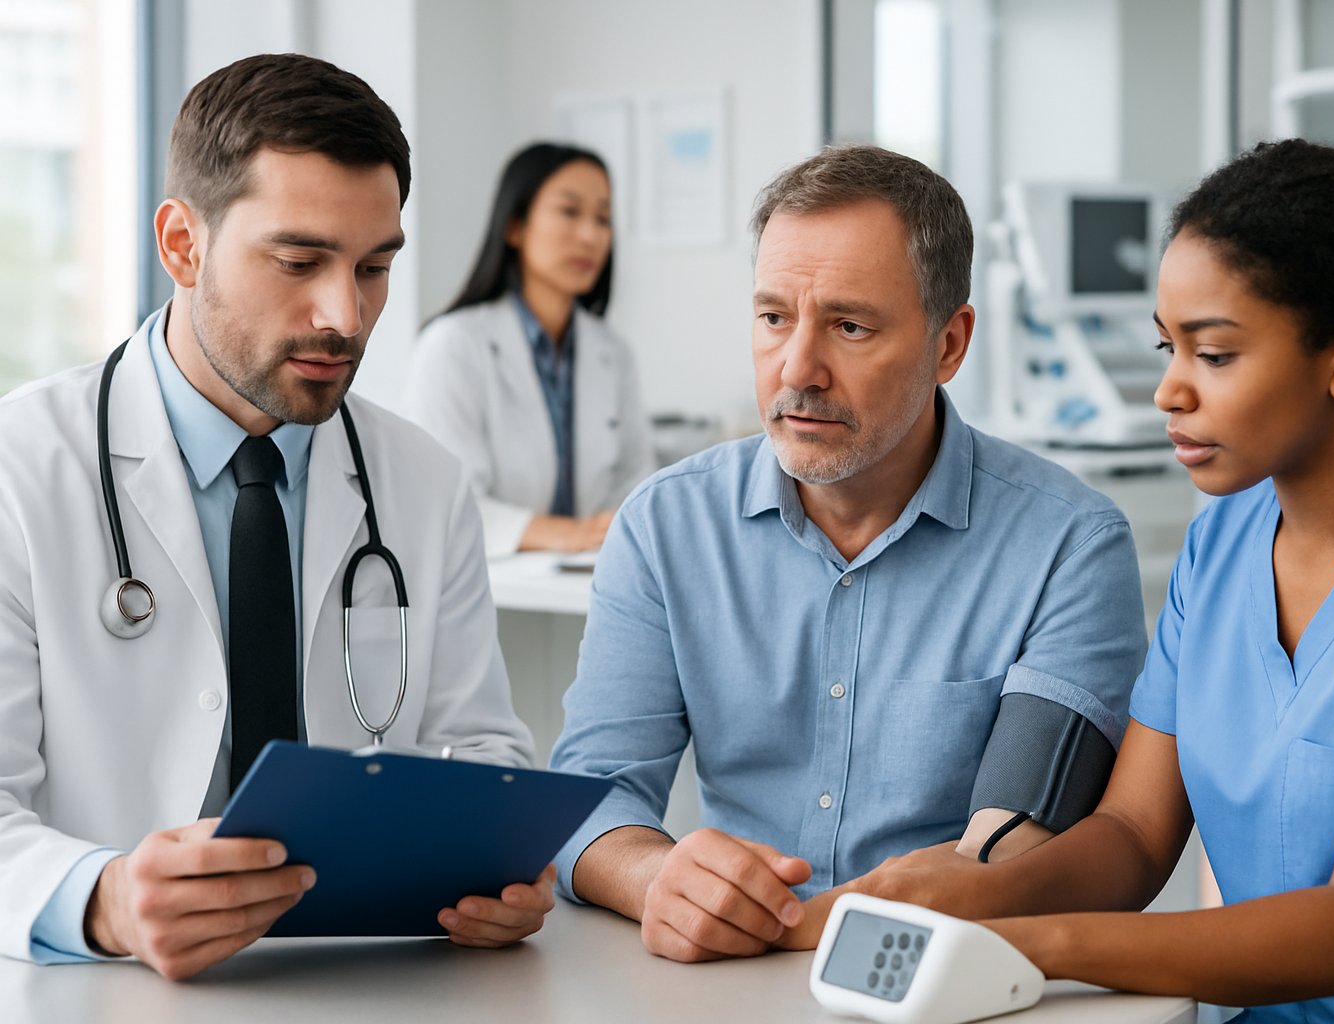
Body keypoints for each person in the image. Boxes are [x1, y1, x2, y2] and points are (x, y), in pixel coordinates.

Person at [839, 140, 1334, 1022]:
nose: (1169, 391)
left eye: (1214, 355)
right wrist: (975, 888)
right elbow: (1132, 836)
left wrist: (1030, 940)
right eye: (1168, 348)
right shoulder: (1221, 547)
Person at [0, 54, 554, 981]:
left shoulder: (421, 481)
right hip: (104, 992)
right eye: (299, 262)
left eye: (374, 267)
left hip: (370, 980)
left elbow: (484, 750)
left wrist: (497, 871)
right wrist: (106, 901)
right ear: (182, 243)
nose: (345, 315)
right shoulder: (21, 469)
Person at [547, 145, 1147, 963]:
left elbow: (1010, 846)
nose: (798, 368)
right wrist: (659, 879)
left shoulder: (1070, 546)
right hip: (728, 987)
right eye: (772, 318)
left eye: (850, 326)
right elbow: (588, 802)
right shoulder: (664, 526)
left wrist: (797, 928)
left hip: (944, 986)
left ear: (949, 344)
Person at [405, 143, 655, 555]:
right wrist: (564, 534)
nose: (591, 235)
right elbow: (444, 503)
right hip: (492, 586)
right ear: (515, 226)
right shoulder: (453, 345)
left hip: (592, 579)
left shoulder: (613, 352)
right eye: (570, 212)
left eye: (603, 219)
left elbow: (636, 482)